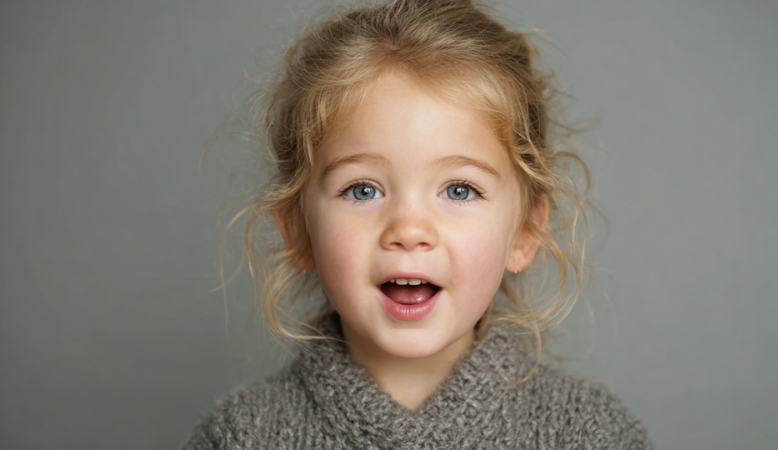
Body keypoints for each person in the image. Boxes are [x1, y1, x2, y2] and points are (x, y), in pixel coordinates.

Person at [183, 0, 651, 448]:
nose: (408, 230)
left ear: (525, 232)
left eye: (459, 190)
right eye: (363, 190)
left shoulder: (589, 435)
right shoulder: (241, 437)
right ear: (297, 230)